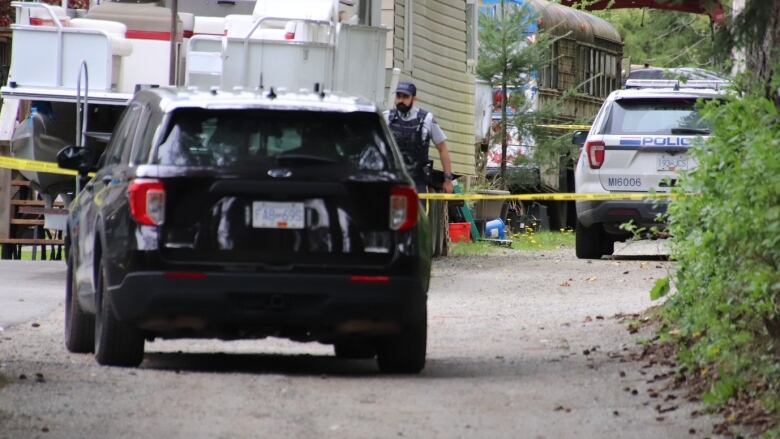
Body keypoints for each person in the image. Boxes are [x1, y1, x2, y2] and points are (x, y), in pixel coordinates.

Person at [384, 81, 454, 194]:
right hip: (393, 179)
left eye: (405, 97)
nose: (401, 100)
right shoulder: (387, 118)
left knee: (416, 211)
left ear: (414, 99)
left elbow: (442, 149)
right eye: (398, 96)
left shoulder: (426, 119)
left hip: (417, 181)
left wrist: (447, 180)